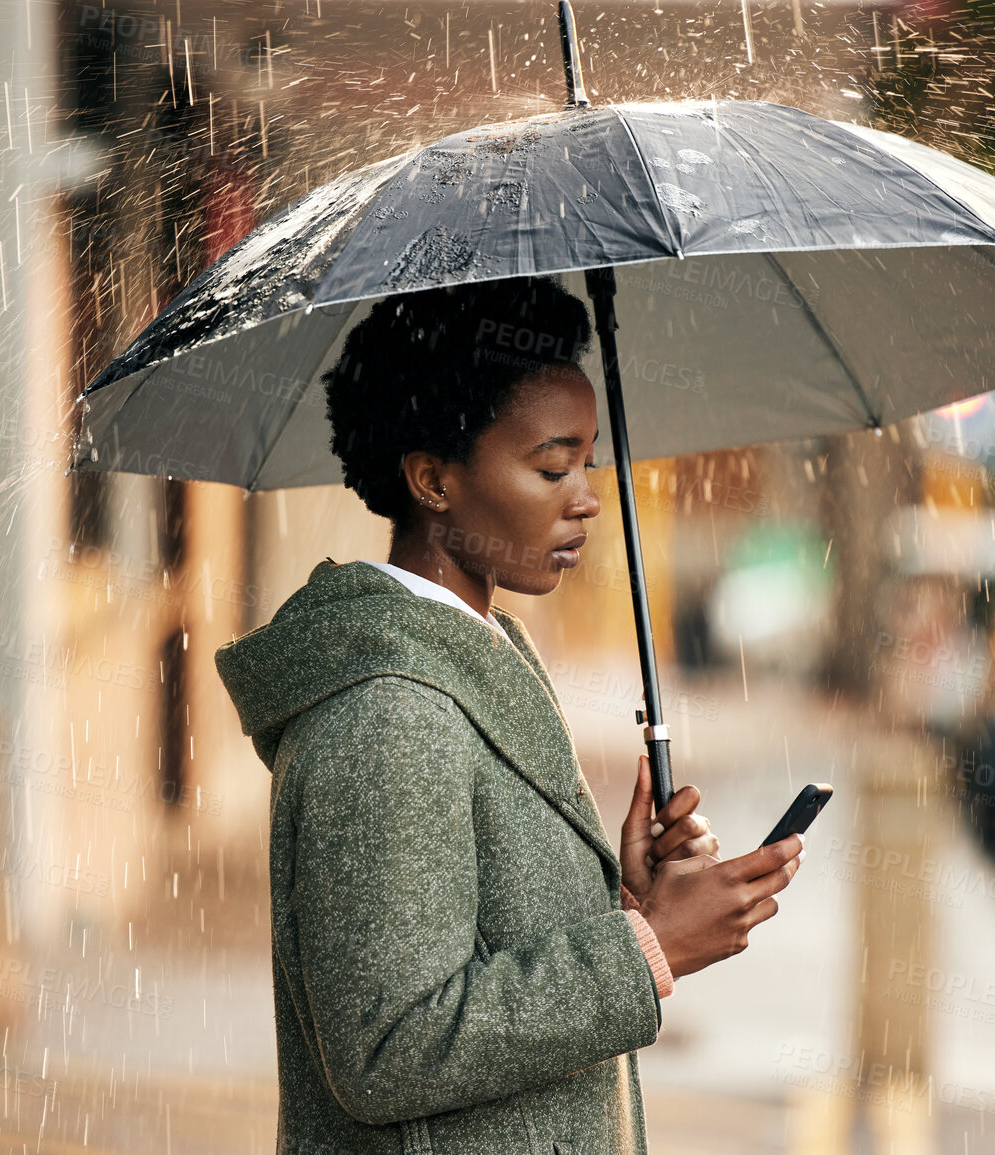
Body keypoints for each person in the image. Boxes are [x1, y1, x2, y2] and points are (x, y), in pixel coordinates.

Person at [215, 276, 806, 1155]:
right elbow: (387, 1047)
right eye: (549, 465)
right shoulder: (388, 713)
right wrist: (648, 949)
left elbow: (468, 929)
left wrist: (624, 897)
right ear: (432, 479)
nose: (586, 497)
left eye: (588, 461)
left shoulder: (481, 656)